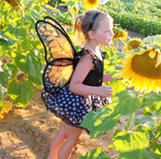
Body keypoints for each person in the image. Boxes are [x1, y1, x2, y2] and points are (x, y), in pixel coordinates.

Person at [42, 9, 116, 159]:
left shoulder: (97, 51)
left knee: (64, 134)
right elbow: (74, 86)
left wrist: (115, 76)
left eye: (112, 29)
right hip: (76, 103)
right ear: (92, 34)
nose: (112, 34)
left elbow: (94, 78)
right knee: (71, 140)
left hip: (77, 101)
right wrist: (99, 91)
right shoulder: (88, 58)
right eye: (107, 30)